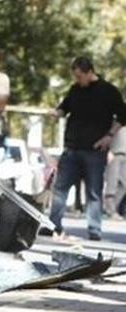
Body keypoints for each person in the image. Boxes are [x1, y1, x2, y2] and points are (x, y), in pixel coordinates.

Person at [49, 56, 126, 241]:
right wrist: (55, 113)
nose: (77, 81)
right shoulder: (75, 89)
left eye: (79, 76)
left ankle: (94, 229)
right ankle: (53, 225)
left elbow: (123, 115)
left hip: (94, 149)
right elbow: (64, 107)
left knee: (93, 191)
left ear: (89, 72)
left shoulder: (108, 91)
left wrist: (109, 136)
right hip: (72, 147)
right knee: (60, 189)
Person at [104, 126, 126, 219]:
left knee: (124, 184)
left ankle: (111, 208)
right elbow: (107, 135)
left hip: (124, 155)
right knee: (112, 183)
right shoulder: (116, 122)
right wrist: (108, 151)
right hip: (115, 154)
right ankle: (111, 210)